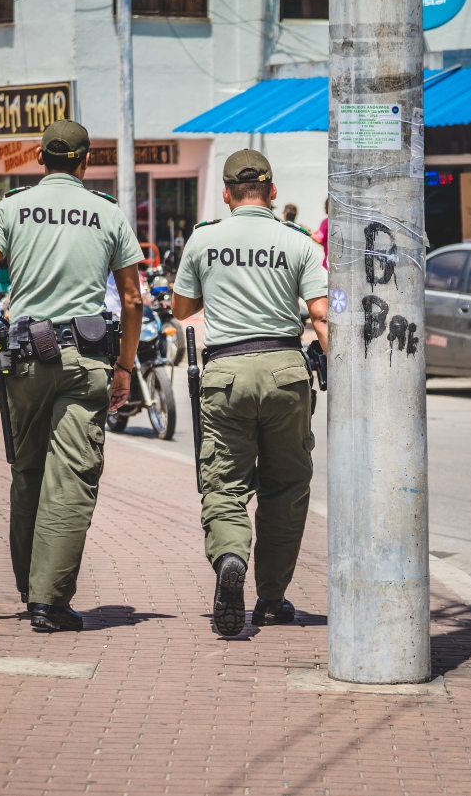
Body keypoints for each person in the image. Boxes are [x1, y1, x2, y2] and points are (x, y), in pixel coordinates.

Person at [0, 119, 144, 633]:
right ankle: (50, 602)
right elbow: (135, 298)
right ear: (85, 161)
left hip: (25, 360)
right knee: (71, 479)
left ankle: (32, 591)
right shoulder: (107, 213)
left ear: (38, 156)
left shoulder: (11, 207)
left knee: (28, 473)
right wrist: (124, 366)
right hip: (86, 361)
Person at [171, 149, 328, 637]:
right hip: (286, 369)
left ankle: (231, 558)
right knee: (285, 488)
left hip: (225, 372)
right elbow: (321, 315)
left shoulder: (204, 239)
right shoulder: (298, 242)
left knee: (224, 486)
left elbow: (181, 308)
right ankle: (272, 597)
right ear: (273, 190)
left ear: (225, 193)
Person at [312, 198, 329, 269]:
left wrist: (307, 230)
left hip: (328, 264)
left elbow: (319, 239)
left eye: (326, 205)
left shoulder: (326, 222)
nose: (324, 207)